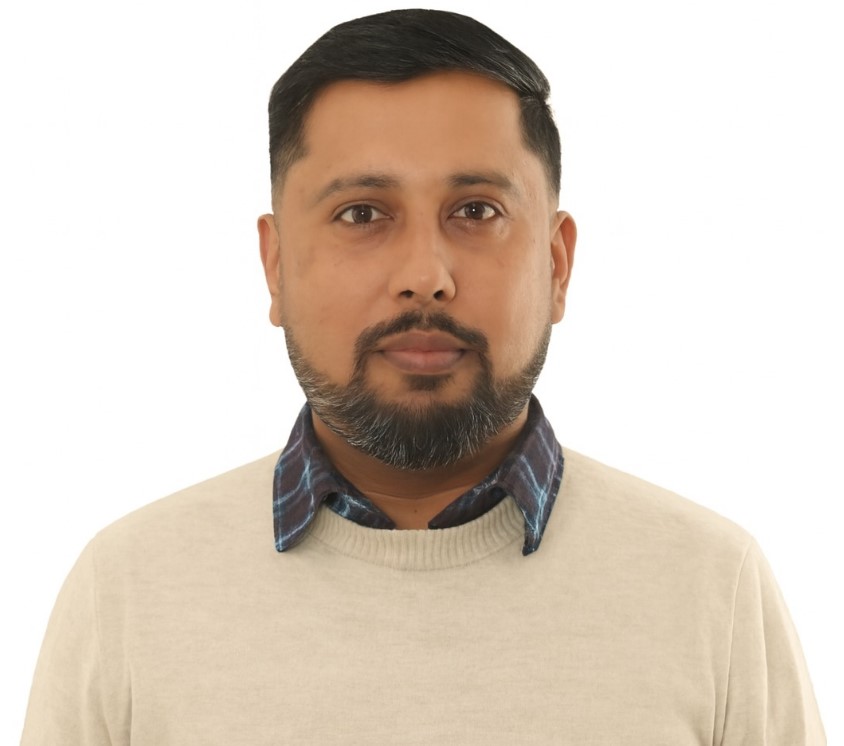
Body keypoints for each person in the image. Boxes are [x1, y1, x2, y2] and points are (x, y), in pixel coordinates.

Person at [21, 8, 824, 744]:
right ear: (276, 266)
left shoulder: (711, 590)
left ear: (556, 264)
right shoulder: (128, 592)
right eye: (362, 214)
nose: (424, 277)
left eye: (476, 211)